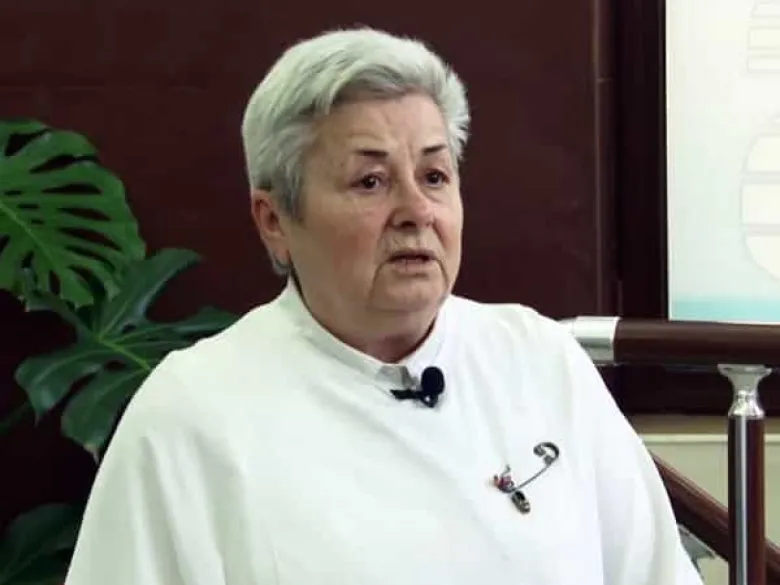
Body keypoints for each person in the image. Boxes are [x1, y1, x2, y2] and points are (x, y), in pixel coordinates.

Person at [64, 27, 703, 585]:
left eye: (434, 176)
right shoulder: (193, 412)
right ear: (275, 221)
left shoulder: (538, 359)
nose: (416, 211)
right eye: (370, 181)